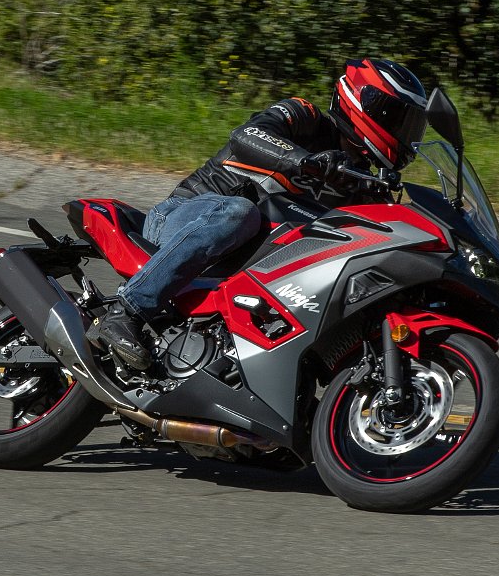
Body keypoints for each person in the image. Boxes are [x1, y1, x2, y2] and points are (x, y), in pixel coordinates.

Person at [90, 58, 429, 370]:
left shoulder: (361, 183)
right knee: (240, 211)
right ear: (362, 102)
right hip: (182, 218)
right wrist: (304, 160)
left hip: (243, 262)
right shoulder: (305, 116)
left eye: (412, 126)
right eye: (398, 118)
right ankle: (127, 310)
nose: (405, 133)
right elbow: (245, 136)